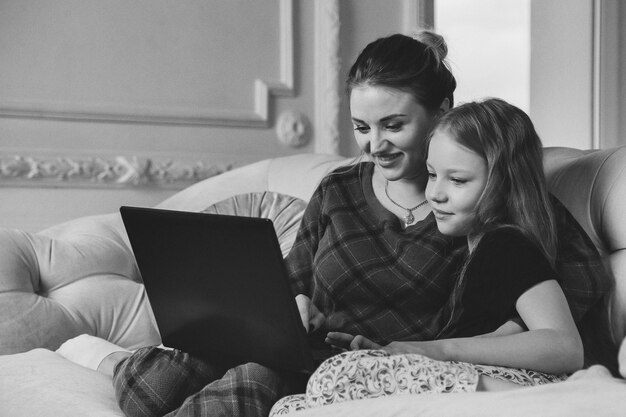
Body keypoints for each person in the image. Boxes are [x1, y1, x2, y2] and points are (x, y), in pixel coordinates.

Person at [57, 31, 613, 416]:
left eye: (393, 124)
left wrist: (489, 339)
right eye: (361, 126)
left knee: (251, 385)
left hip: (364, 367)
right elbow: (293, 282)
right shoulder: (341, 190)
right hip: (299, 343)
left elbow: (572, 282)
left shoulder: (487, 201)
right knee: (148, 385)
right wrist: (294, 305)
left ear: (442, 110)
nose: (375, 145)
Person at [324, 98, 583, 386]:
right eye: (432, 174)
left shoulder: (505, 245)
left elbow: (565, 346)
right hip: (472, 380)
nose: (435, 193)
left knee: (332, 379)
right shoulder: (477, 246)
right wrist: (392, 356)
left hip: (509, 386)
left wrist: (438, 352)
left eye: (457, 180)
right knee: (294, 404)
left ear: (505, 184)